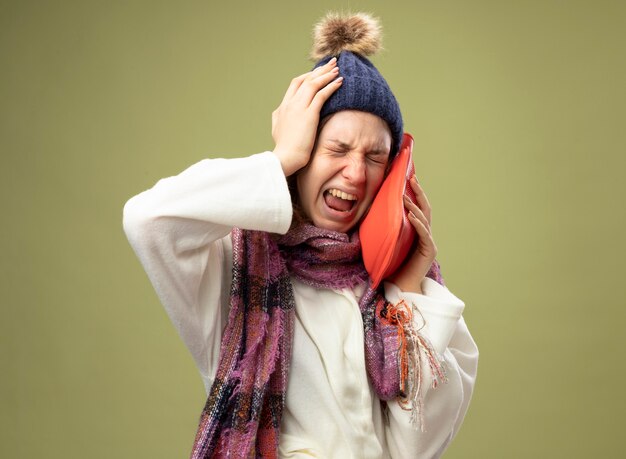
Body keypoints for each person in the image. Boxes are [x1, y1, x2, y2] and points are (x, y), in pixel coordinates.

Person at [124, 12, 478, 459]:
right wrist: (279, 159)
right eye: (337, 148)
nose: (355, 172)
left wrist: (407, 294)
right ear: (304, 155)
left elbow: (418, 447)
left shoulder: (404, 287)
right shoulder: (232, 268)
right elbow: (146, 220)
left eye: (374, 157)